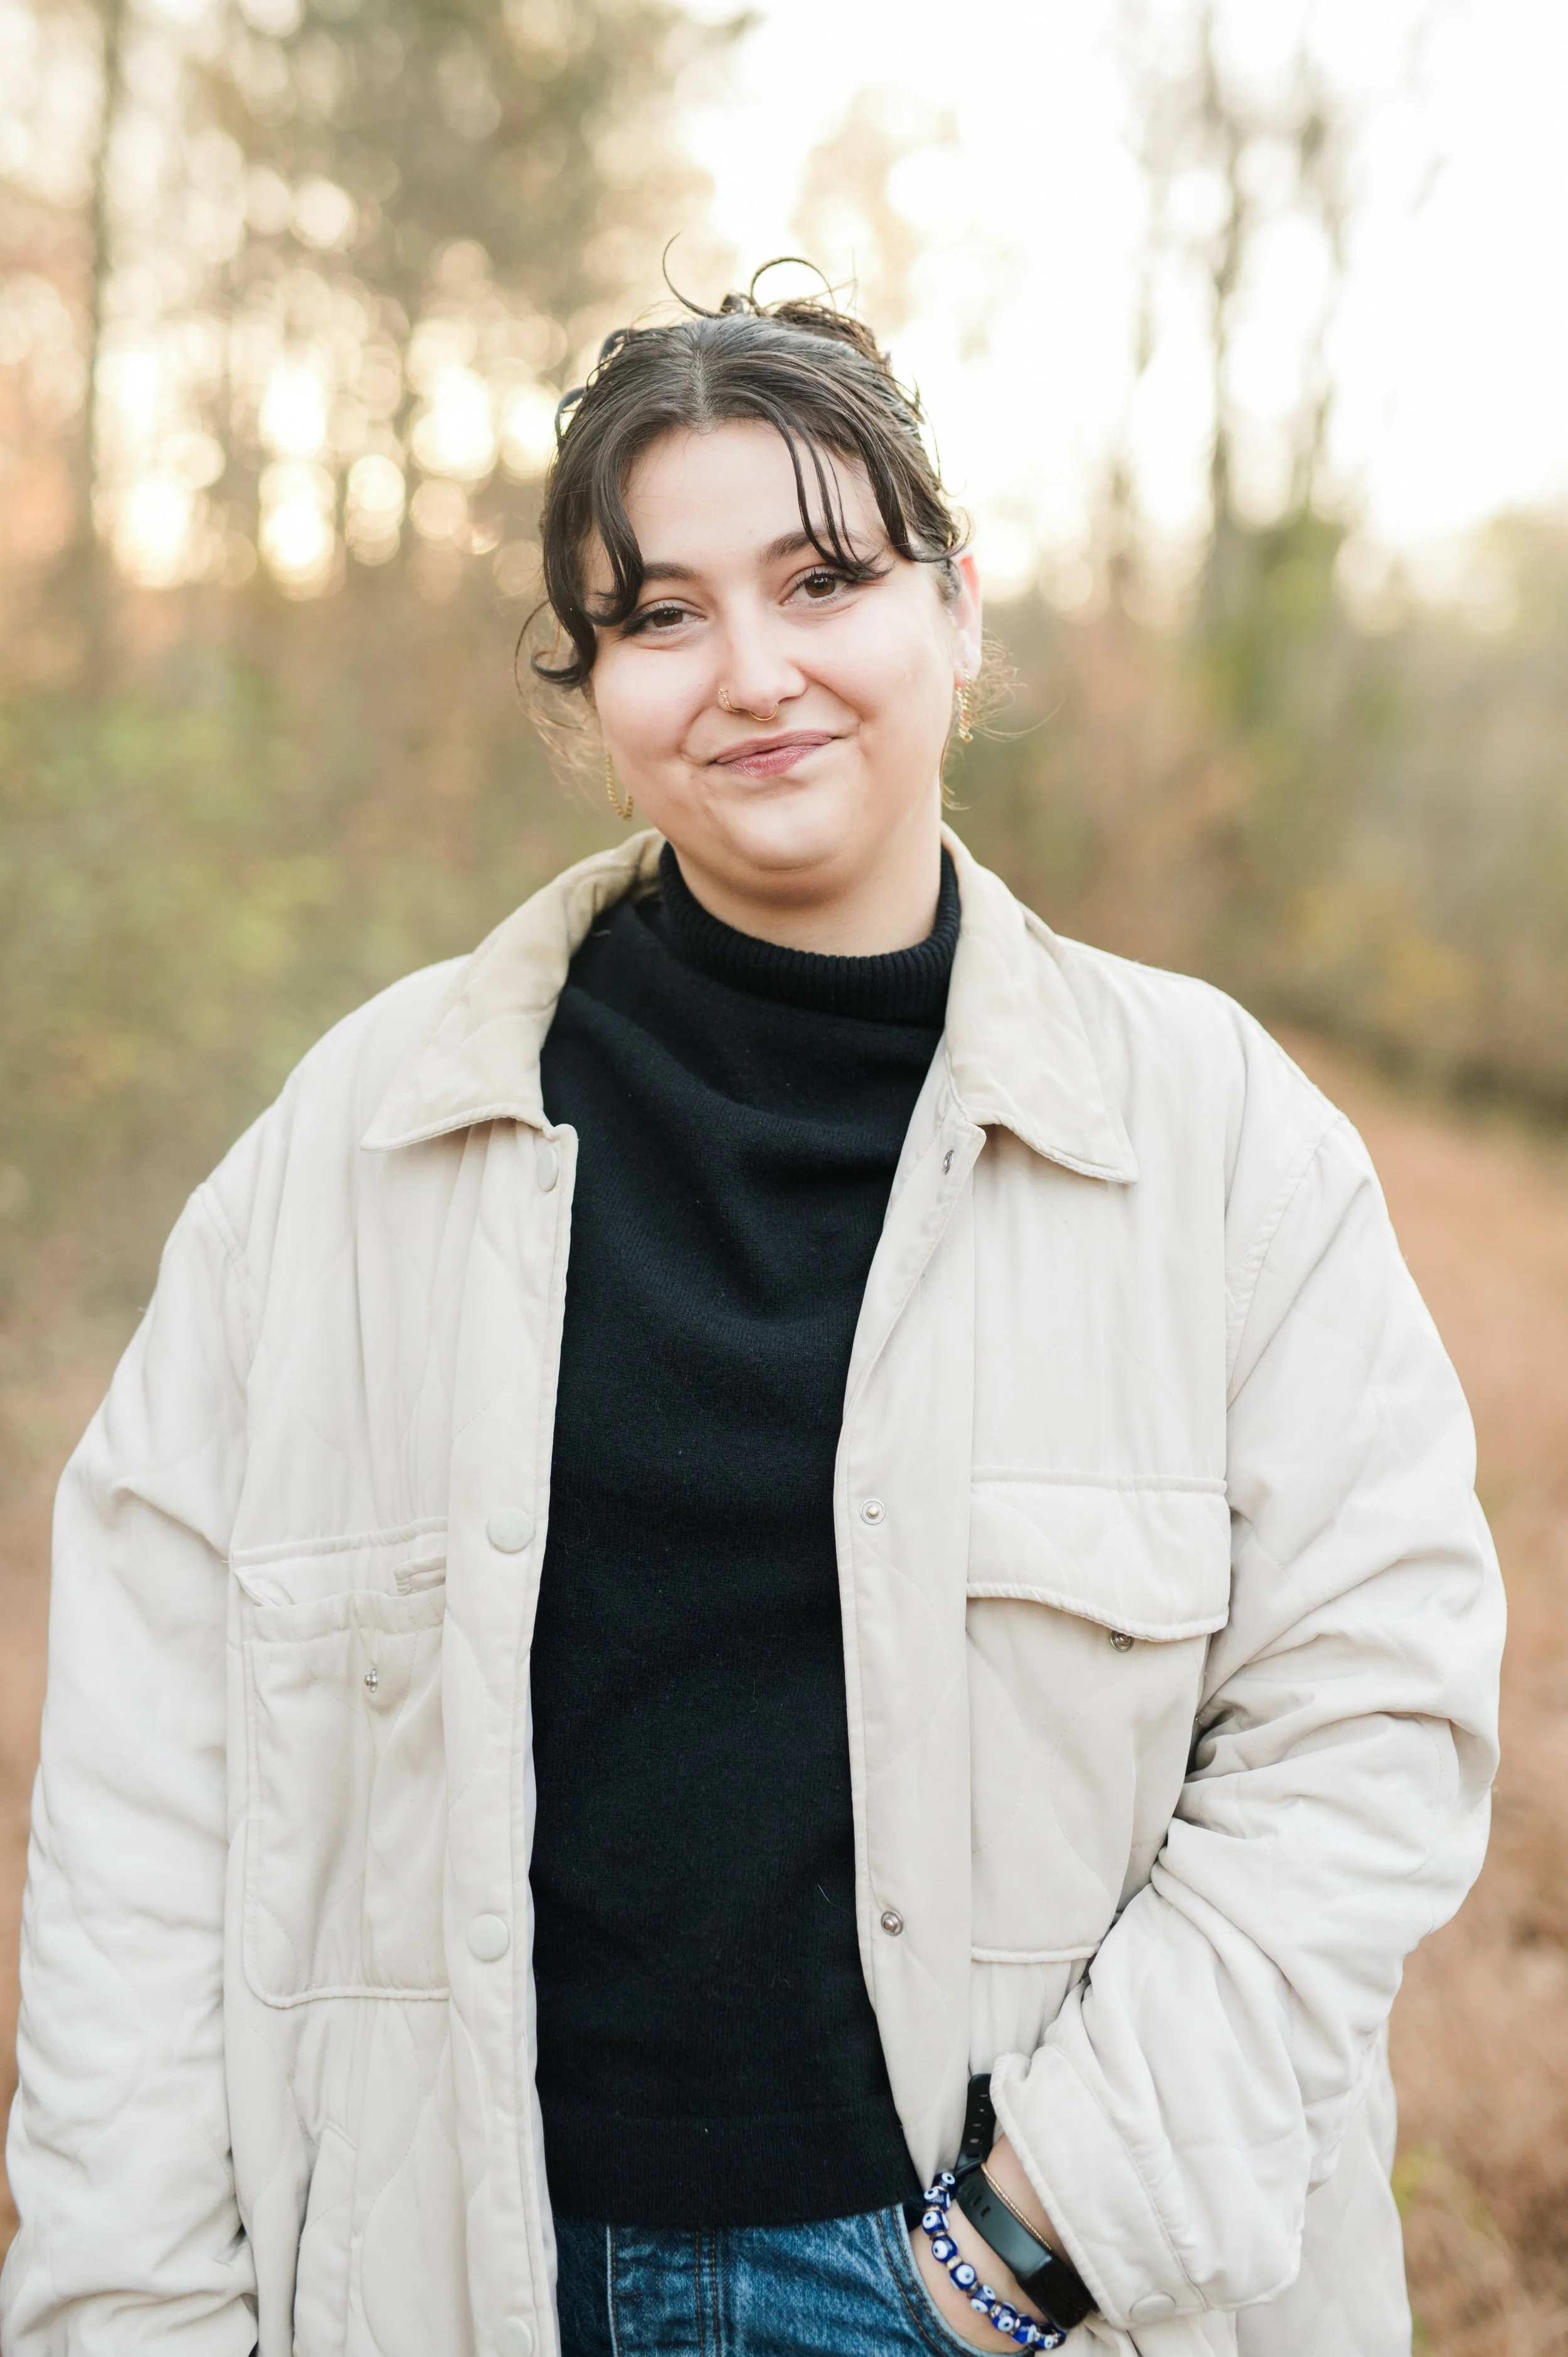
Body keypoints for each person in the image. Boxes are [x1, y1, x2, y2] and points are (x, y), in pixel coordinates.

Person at [1, 279, 1503, 2357]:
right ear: (588, 688)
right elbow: (144, 1810)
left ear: (959, 609)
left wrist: (1028, 2250)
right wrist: (125, 2315)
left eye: (823, 577)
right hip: (463, 2284)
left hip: (1032, 2300)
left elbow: (1369, 1724)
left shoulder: (1219, 1141)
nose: (753, 671)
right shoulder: (353, 1149)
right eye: (661, 612)